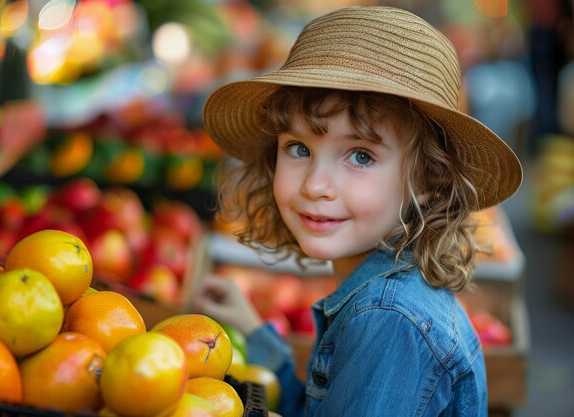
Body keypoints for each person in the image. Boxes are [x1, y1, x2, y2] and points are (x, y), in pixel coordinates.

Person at [195, 6, 523, 417]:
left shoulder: (389, 320)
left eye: (361, 156)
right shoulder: (378, 292)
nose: (315, 184)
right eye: (298, 148)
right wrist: (253, 332)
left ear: (426, 181)